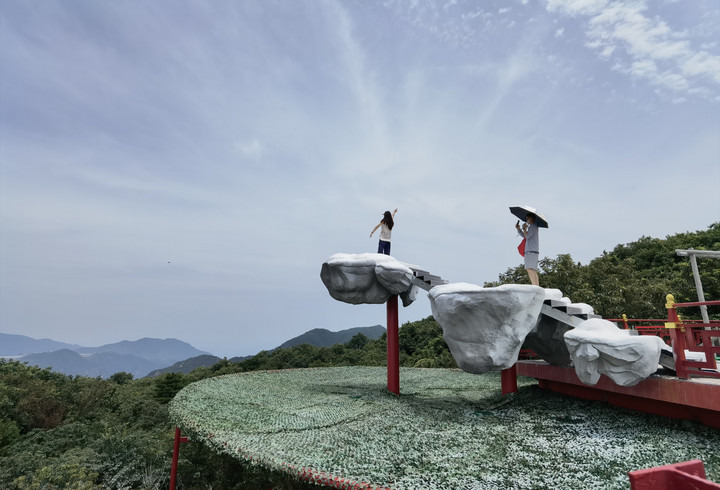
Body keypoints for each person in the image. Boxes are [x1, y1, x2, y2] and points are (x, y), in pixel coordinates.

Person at [516, 214, 540, 286]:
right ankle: (536, 286)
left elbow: (527, 236)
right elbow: (525, 236)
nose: (526, 220)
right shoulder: (533, 227)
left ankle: (534, 285)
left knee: (529, 268)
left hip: (531, 251)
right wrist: (519, 229)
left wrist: (524, 228)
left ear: (531, 218)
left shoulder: (533, 226)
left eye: (527, 218)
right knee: (532, 269)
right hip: (533, 251)